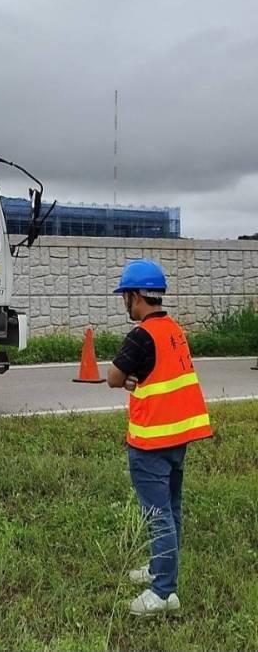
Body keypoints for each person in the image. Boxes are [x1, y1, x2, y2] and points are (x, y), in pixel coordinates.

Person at [107, 259, 212, 618]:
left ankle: (163, 592)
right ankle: (159, 570)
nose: (126, 303)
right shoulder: (174, 330)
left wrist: (128, 378)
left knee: (158, 515)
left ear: (136, 297)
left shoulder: (140, 335)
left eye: (126, 296)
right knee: (171, 509)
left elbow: (113, 377)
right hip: (177, 439)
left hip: (150, 442)